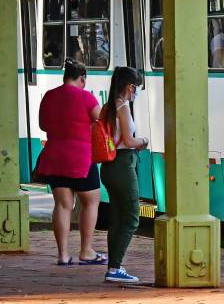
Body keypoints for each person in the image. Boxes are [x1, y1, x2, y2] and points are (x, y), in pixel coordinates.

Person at [37, 58, 105, 266]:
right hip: (82, 158)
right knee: (91, 201)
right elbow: (101, 120)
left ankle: (63, 255)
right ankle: (86, 251)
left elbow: (43, 125)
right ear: (82, 78)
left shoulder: (49, 96)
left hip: (55, 157)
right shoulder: (86, 97)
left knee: (62, 205)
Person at [100, 67, 149, 283]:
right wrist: (144, 141)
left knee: (117, 218)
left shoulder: (107, 107)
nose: (136, 92)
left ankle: (113, 266)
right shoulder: (123, 108)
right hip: (122, 164)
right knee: (131, 217)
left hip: (109, 167)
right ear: (129, 87)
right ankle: (115, 267)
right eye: (136, 88)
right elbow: (129, 141)